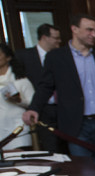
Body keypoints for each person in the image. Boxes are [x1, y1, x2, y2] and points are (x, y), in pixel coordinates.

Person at [23, 13, 95, 164]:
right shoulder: (56, 57)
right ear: (74, 29)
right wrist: (34, 108)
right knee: (84, 169)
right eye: (89, 30)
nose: (94, 34)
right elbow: (45, 86)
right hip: (76, 124)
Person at [15, 23, 64, 152]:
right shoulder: (24, 56)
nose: (59, 41)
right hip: (41, 110)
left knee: (67, 146)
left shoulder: (62, 56)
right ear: (44, 37)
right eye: (56, 38)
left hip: (63, 108)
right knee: (50, 148)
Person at [0, 43, 33, 150]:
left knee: (18, 160)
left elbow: (33, 103)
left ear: (8, 57)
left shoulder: (20, 79)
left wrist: (18, 100)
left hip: (18, 127)